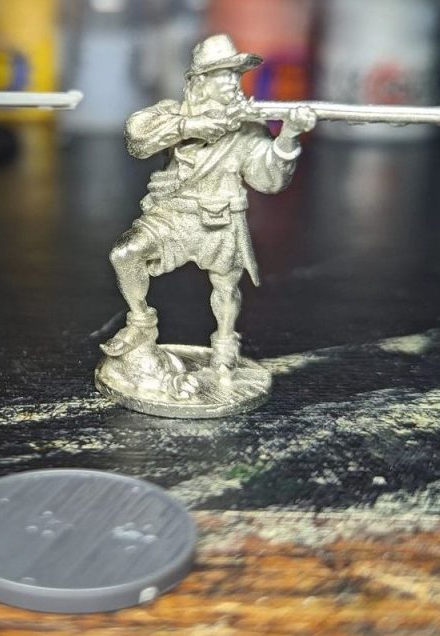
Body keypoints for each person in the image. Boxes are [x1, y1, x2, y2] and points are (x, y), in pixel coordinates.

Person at [102, 34, 317, 390]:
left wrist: (288, 137)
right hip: (171, 214)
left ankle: (225, 348)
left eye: (236, 75)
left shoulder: (247, 128)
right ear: (200, 80)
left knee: (226, 288)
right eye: (223, 75)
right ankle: (140, 323)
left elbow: (269, 179)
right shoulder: (174, 114)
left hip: (219, 219)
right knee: (125, 254)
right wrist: (189, 126)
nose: (233, 82)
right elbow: (137, 139)